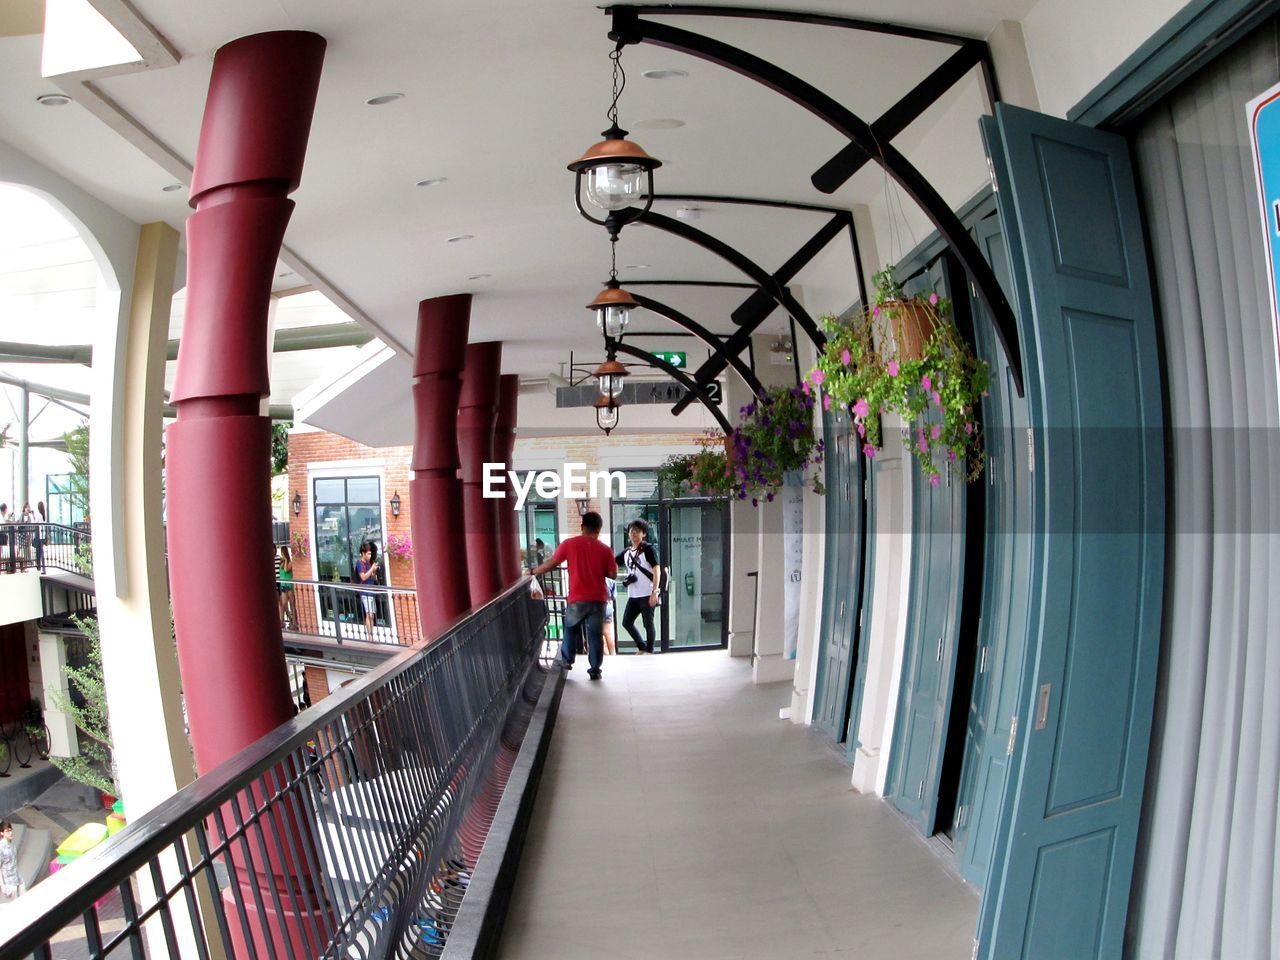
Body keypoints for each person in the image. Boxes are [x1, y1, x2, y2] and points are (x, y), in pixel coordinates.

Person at [530, 512, 614, 680]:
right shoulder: (605, 550)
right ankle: (595, 670)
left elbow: (550, 564)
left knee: (570, 629)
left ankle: (567, 661)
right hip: (598, 598)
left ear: (582, 527)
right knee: (595, 635)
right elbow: (612, 574)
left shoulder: (569, 544)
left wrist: (533, 571)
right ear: (598, 529)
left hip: (577, 597)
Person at [617, 518, 662, 654]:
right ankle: (642, 647)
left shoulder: (648, 549)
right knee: (626, 622)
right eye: (631, 531)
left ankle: (649, 650)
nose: (634, 533)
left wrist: (655, 592)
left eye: (637, 531)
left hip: (647, 593)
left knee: (648, 623)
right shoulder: (626, 552)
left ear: (644, 534)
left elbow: (656, 571)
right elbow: (612, 564)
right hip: (633, 595)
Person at [355, 541, 381, 641]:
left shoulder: (370, 563)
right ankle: (370, 636)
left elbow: (374, 578)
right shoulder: (359, 563)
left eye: (370, 554)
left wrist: (374, 571)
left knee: (372, 614)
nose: (370, 556)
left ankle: (371, 634)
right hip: (364, 591)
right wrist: (371, 569)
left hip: (371, 591)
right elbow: (363, 577)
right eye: (368, 554)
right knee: (369, 613)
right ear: (363, 553)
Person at [0, 820, 22, 902]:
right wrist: (3, 886)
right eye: (7, 831)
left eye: (11, 830)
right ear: (2, 833)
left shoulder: (11, 845)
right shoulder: (1, 847)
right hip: (9, 882)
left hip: (18, 878)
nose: (10, 833)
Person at [277, 545, 297, 629]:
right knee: (284, 604)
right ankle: (290, 619)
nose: (281, 554)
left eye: (282, 552)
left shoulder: (290, 562)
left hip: (289, 585)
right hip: (283, 585)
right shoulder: (281, 562)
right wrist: (283, 560)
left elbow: (285, 570)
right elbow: (281, 571)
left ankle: (294, 623)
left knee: (292, 604)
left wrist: (285, 560)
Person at [602, 576, 618, 655]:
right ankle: (612, 653)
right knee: (608, 633)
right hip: (607, 608)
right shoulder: (611, 581)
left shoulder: (591, 579)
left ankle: (604, 654)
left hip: (594, 608)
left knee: (597, 633)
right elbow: (613, 597)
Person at [33, 502, 45, 572]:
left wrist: (34, 515)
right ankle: (43, 568)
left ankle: (39, 568)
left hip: (39, 536)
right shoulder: (43, 515)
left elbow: (35, 523)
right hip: (42, 536)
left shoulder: (39, 515)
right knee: (41, 552)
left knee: (39, 553)